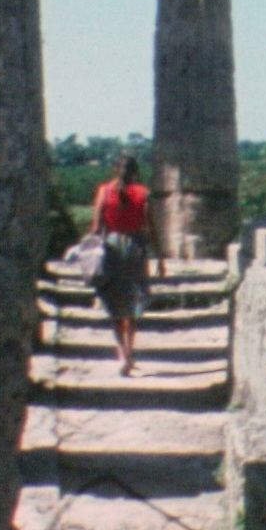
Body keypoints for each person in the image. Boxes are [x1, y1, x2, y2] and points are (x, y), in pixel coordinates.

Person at [90, 155, 165, 376]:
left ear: (116, 169)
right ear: (136, 172)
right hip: (135, 248)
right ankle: (130, 354)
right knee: (132, 304)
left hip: (111, 248)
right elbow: (150, 229)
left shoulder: (104, 191)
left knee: (113, 302)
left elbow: (97, 228)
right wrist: (159, 258)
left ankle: (121, 353)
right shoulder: (143, 194)